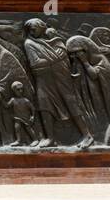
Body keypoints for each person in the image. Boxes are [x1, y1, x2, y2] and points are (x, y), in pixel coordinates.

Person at [22, 18, 95, 148]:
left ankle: (87, 136)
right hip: (43, 80)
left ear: (41, 26)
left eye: (34, 29)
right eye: (29, 30)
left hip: (62, 76)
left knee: (71, 102)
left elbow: (63, 55)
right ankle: (50, 138)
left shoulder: (55, 39)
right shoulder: (29, 43)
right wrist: (55, 58)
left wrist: (52, 59)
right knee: (44, 104)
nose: (32, 32)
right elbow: (36, 64)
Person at [5, 81, 38, 146]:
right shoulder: (13, 100)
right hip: (17, 118)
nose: (20, 91)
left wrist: (32, 116)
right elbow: (6, 105)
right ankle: (18, 141)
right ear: (14, 91)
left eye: (21, 89)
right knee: (17, 128)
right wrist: (0, 99)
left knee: (29, 129)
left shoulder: (25, 100)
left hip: (26, 117)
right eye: (18, 89)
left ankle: (35, 140)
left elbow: (33, 109)